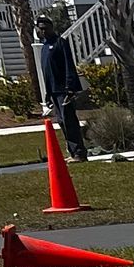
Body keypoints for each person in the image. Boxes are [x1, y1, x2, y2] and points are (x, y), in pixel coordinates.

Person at [36, 16, 90, 160]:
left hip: (64, 90)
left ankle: (79, 152)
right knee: (61, 121)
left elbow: (68, 65)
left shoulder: (60, 43)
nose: (43, 31)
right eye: (41, 29)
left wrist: (70, 88)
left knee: (69, 121)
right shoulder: (44, 47)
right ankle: (72, 151)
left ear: (51, 27)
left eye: (46, 28)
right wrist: (47, 93)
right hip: (53, 91)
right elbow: (47, 72)